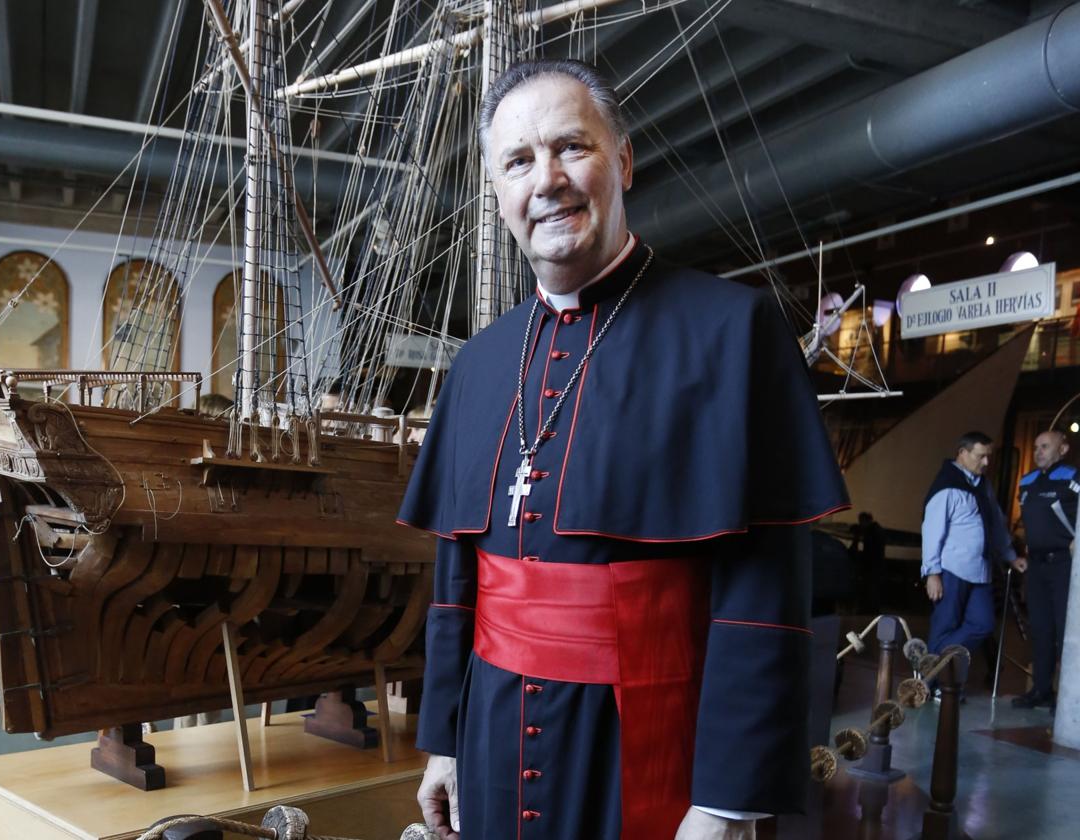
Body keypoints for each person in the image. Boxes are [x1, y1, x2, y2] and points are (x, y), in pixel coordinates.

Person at [398, 59, 847, 840]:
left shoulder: (733, 333)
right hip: (493, 734)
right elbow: (454, 579)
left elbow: (765, 598)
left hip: (653, 734)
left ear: (624, 161)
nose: (547, 181)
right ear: (498, 194)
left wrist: (727, 801)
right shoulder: (478, 364)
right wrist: (442, 738)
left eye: (572, 147)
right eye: (518, 161)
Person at [921, 432, 1019, 683]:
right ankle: (930, 687)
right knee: (945, 626)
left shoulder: (982, 485)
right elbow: (932, 530)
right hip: (951, 570)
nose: (986, 463)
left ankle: (930, 666)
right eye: (981, 456)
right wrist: (932, 573)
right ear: (962, 454)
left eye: (989, 457)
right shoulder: (947, 485)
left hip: (981, 570)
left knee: (984, 624)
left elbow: (995, 523)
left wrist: (1010, 555)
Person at [1011, 430, 1078, 710]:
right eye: (1036, 446)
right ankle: (1041, 690)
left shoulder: (1072, 478)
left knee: (1065, 631)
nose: (1038, 451)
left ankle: (1068, 697)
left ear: (1062, 449)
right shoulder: (1027, 482)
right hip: (1036, 566)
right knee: (1040, 629)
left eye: (1045, 446)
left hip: (1064, 564)